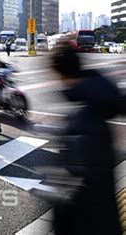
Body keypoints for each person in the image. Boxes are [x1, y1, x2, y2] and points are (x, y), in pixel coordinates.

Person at [48, 42, 122, 234]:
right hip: (107, 221)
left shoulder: (79, 123)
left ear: (60, 74)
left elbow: (69, 192)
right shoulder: (98, 108)